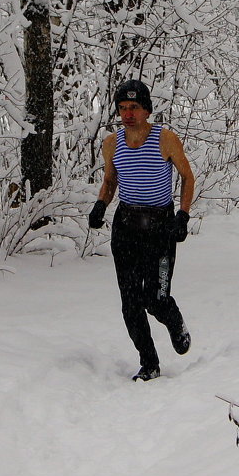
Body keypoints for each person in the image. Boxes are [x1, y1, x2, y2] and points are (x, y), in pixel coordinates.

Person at [88, 79, 195, 381]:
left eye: (134, 107)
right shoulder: (112, 143)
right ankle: (149, 362)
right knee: (131, 303)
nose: (128, 113)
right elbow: (110, 181)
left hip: (160, 230)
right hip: (126, 230)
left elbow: (188, 177)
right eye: (123, 108)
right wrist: (100, 205)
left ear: (146, 109)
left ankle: (174, 321)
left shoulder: (165, 139)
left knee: (157, 298)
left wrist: (183, 216)